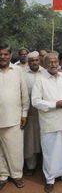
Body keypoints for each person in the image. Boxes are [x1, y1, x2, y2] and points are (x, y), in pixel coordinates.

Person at [32, 53, 62, 193]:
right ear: (44, 64)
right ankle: (50, 179)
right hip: (50, 122)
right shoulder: (40, 80)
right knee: (51, 152)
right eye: (50, 62)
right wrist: (54, 104)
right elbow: (36, 101)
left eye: (55, 61)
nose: (53, 64)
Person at [0, 43, 29, 190]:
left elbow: (24, 93)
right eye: (1, 54)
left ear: (10, 56)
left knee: (15, 149)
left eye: (5, 54)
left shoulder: (17, 70)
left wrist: (24, 114)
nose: (3, 57)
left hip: (13, 118)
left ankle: (17, 175)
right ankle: (3, 176)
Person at [24, 51, 45, 176]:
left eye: (36, 60)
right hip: (30, 113)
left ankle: (45, 165)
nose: (35, 63)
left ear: (39, 61)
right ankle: (31, 167)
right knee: (30, 141)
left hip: (45, 113)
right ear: (28, 62)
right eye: (32, 60)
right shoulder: (23, 74)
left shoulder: (46, 72)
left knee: (45, 140)